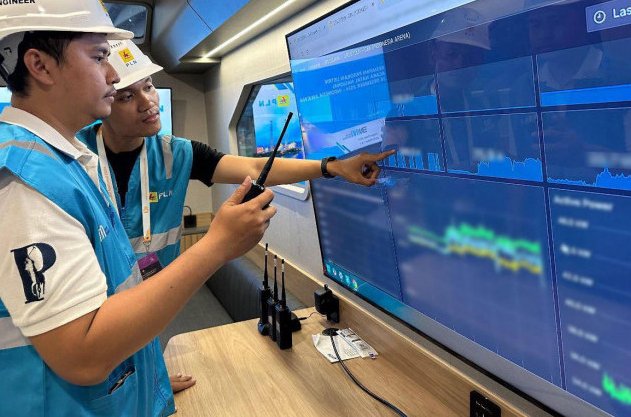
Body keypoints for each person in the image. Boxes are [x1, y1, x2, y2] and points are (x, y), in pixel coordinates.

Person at [0, 0, 275, 416]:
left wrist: (150, 378)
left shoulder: (65, 160)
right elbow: (83, 354)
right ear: (39, 66)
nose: (114, 74)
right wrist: (217, 245)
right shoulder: (21, 183)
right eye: (99, 57)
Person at [78, 38, 394, 272]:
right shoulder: (73, 155)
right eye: (126, 97)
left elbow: (256, 167)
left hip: (153, 303)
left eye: (148, 87)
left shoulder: (176, 153)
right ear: (103, 103)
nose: (147, 102)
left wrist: (333, 167)